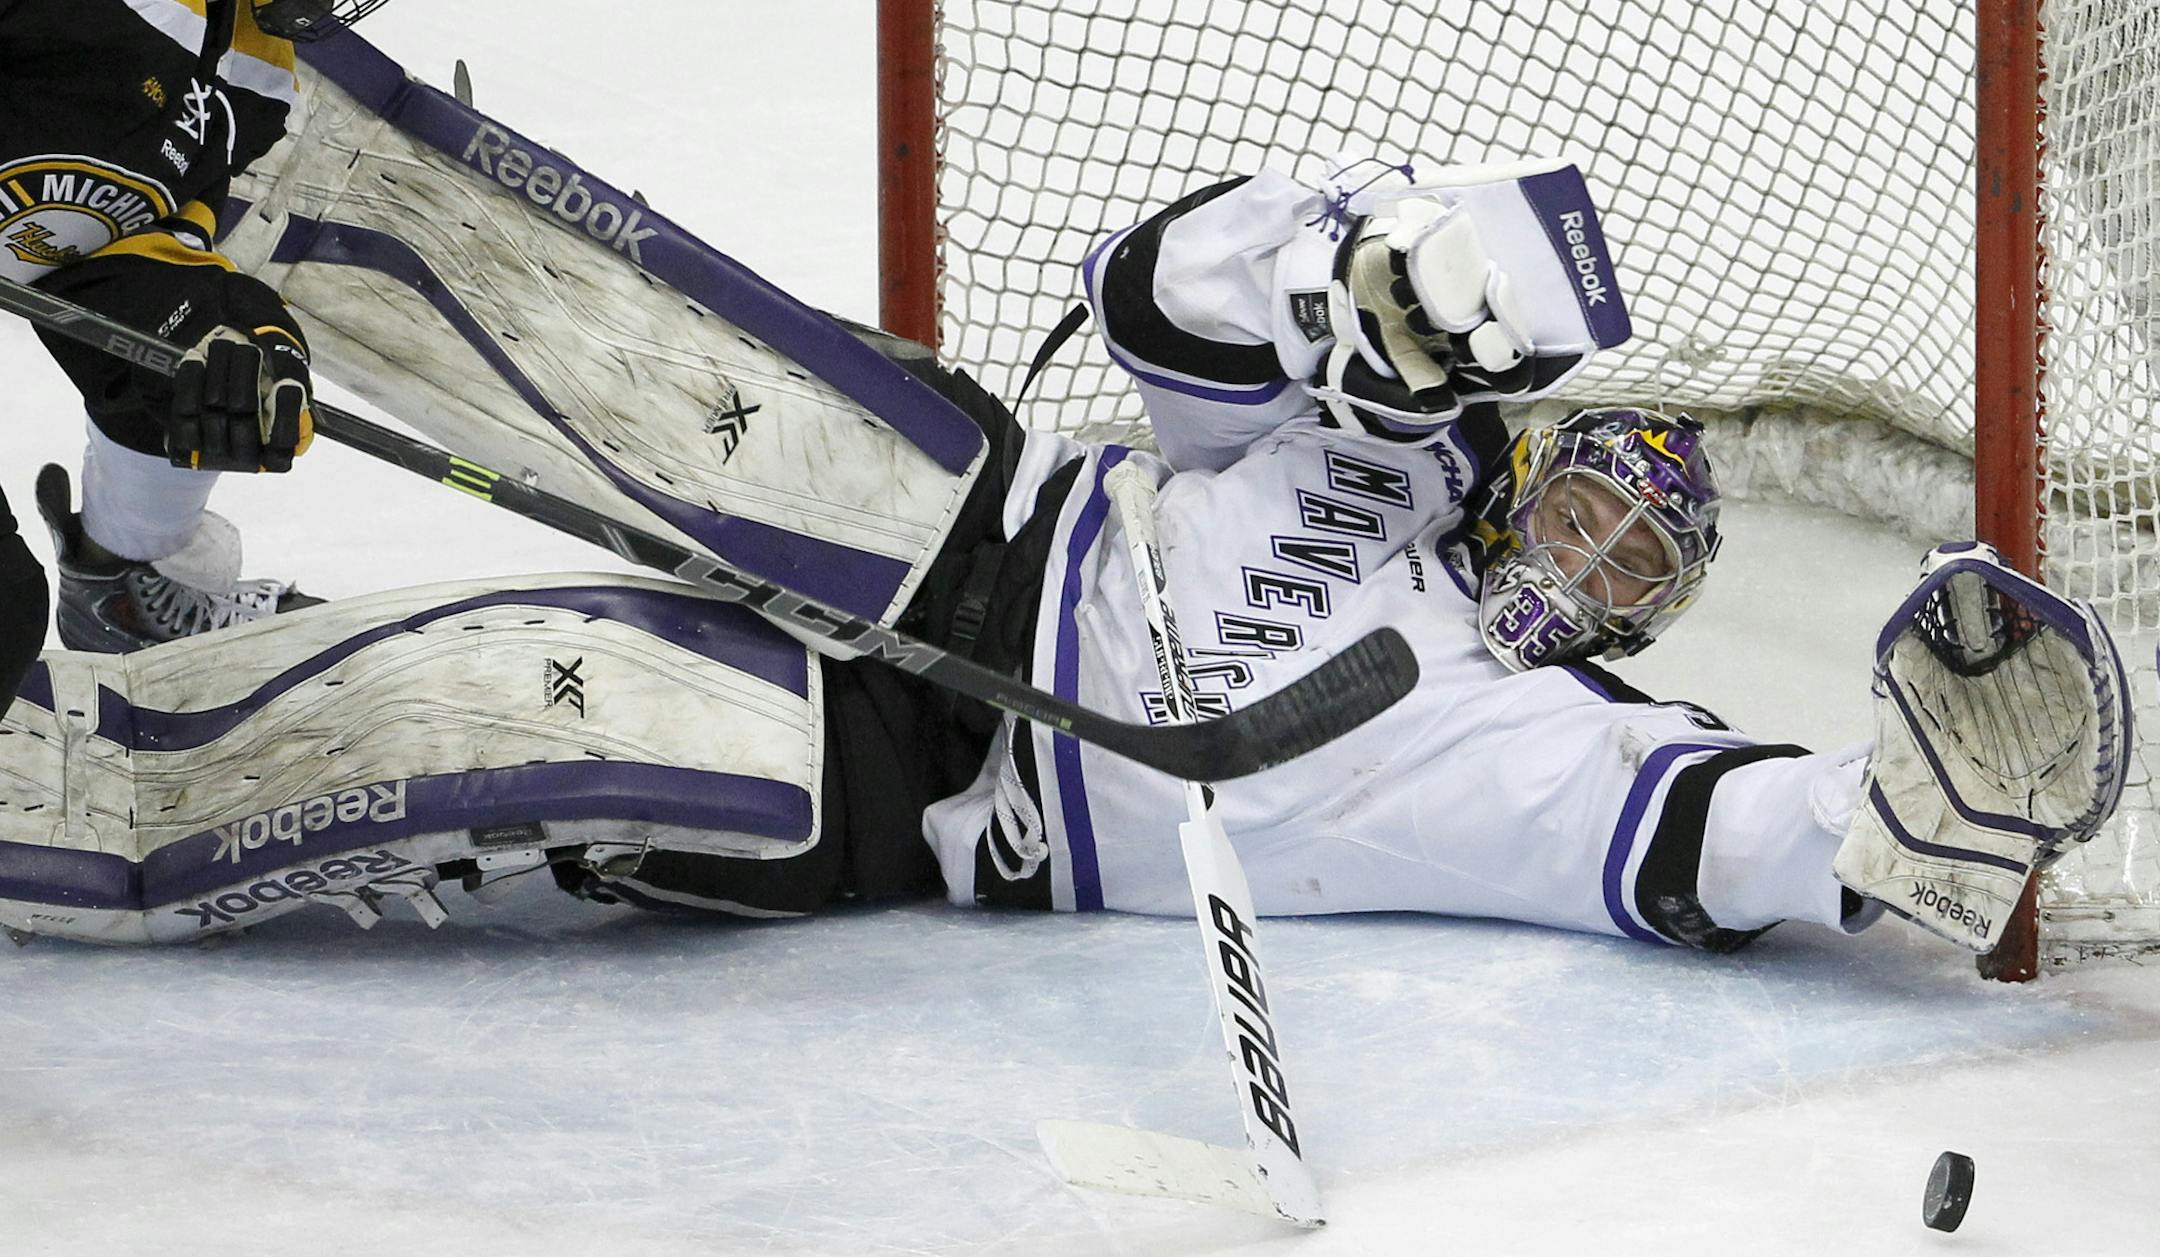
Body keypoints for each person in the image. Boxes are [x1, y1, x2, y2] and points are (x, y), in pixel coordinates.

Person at [0, 36, 2126, 959]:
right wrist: (1352, 264)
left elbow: (1696, 834)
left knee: (463, 717)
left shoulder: (1529, 743)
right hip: (951, 513)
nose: (1590, 540)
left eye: (1637, 563)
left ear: (1629, 625)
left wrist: (1869, 833)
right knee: (569, 301)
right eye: (1596, 492)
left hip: (893, 777)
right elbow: (1154, 308)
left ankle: (57, 764)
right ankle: (188, 113)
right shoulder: (1389, 420)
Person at [2, 1, 394, 656]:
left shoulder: (255, 73)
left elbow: (120, 240)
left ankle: (125, 582)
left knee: (189, 370)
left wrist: (214, 325)